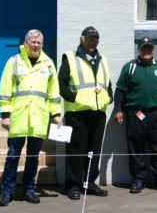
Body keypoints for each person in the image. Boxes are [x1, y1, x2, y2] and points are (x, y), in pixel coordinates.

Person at [0, 29, 62, 207]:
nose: (36, 45)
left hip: (39, 117)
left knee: (33, 157)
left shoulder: (48, 64)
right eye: (33, 42)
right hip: (18, 116)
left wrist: (56, 114)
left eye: (39, 43)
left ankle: (29, 190)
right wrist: (5, 114)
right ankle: (7, 191)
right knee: (13, 155)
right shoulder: (14, 61)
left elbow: (53, 92)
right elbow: (4, 89)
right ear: (26, 43)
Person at [113, 37, 157, 194]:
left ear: (153, 50)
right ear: (139, 50)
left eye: (149, 48)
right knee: (136, 148)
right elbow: (120, 90)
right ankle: (139, 179)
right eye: (144, 48)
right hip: (135, 113)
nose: (147, 51)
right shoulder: (130, 67)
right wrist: (117, 109)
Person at [59, 26, 112, 200]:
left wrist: (109, 97)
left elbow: (108, 84)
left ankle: (89, 183)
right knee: (76, 151)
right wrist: (76, 99)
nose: (92, 42)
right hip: (77, 113)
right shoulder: (70, 58)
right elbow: (62, 85)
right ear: (81, 40)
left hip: (98, 113)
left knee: (94, 151)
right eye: (89, 38)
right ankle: (73, 186)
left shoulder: (103, 60)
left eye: (95, 38)